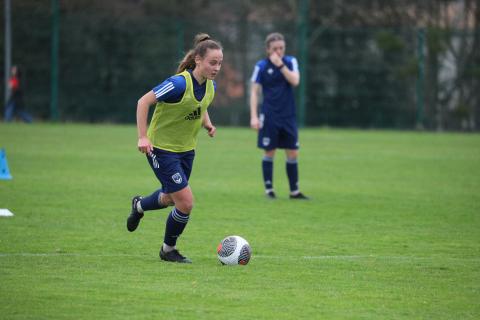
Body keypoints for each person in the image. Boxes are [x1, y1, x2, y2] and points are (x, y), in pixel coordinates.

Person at [127, 33, 223, 263]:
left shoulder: (211, 86)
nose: (217, 67)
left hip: (186, 150)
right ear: (198, 60)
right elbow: (143, 102)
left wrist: (207, 123)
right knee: (186, 202)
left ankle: (139, 205)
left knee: (171, 198)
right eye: (213, 62)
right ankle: (168, 250)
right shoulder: (178, 83)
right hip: (161, 149)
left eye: (220, 63)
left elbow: (201, 105)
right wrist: (142, 137)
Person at [250, 32, 308, 200]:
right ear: (268, 49)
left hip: (288, 115)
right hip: (269, 116)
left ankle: (294, 192)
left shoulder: (290, 62)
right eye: (275, 49)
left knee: (293, 152)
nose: (279, 51)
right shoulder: (261, 66)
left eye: (281, 48)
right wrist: (254, 116)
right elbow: (254, 91)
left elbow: (295, 81)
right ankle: (269, 190)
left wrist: (281, 66)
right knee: (270, 151)